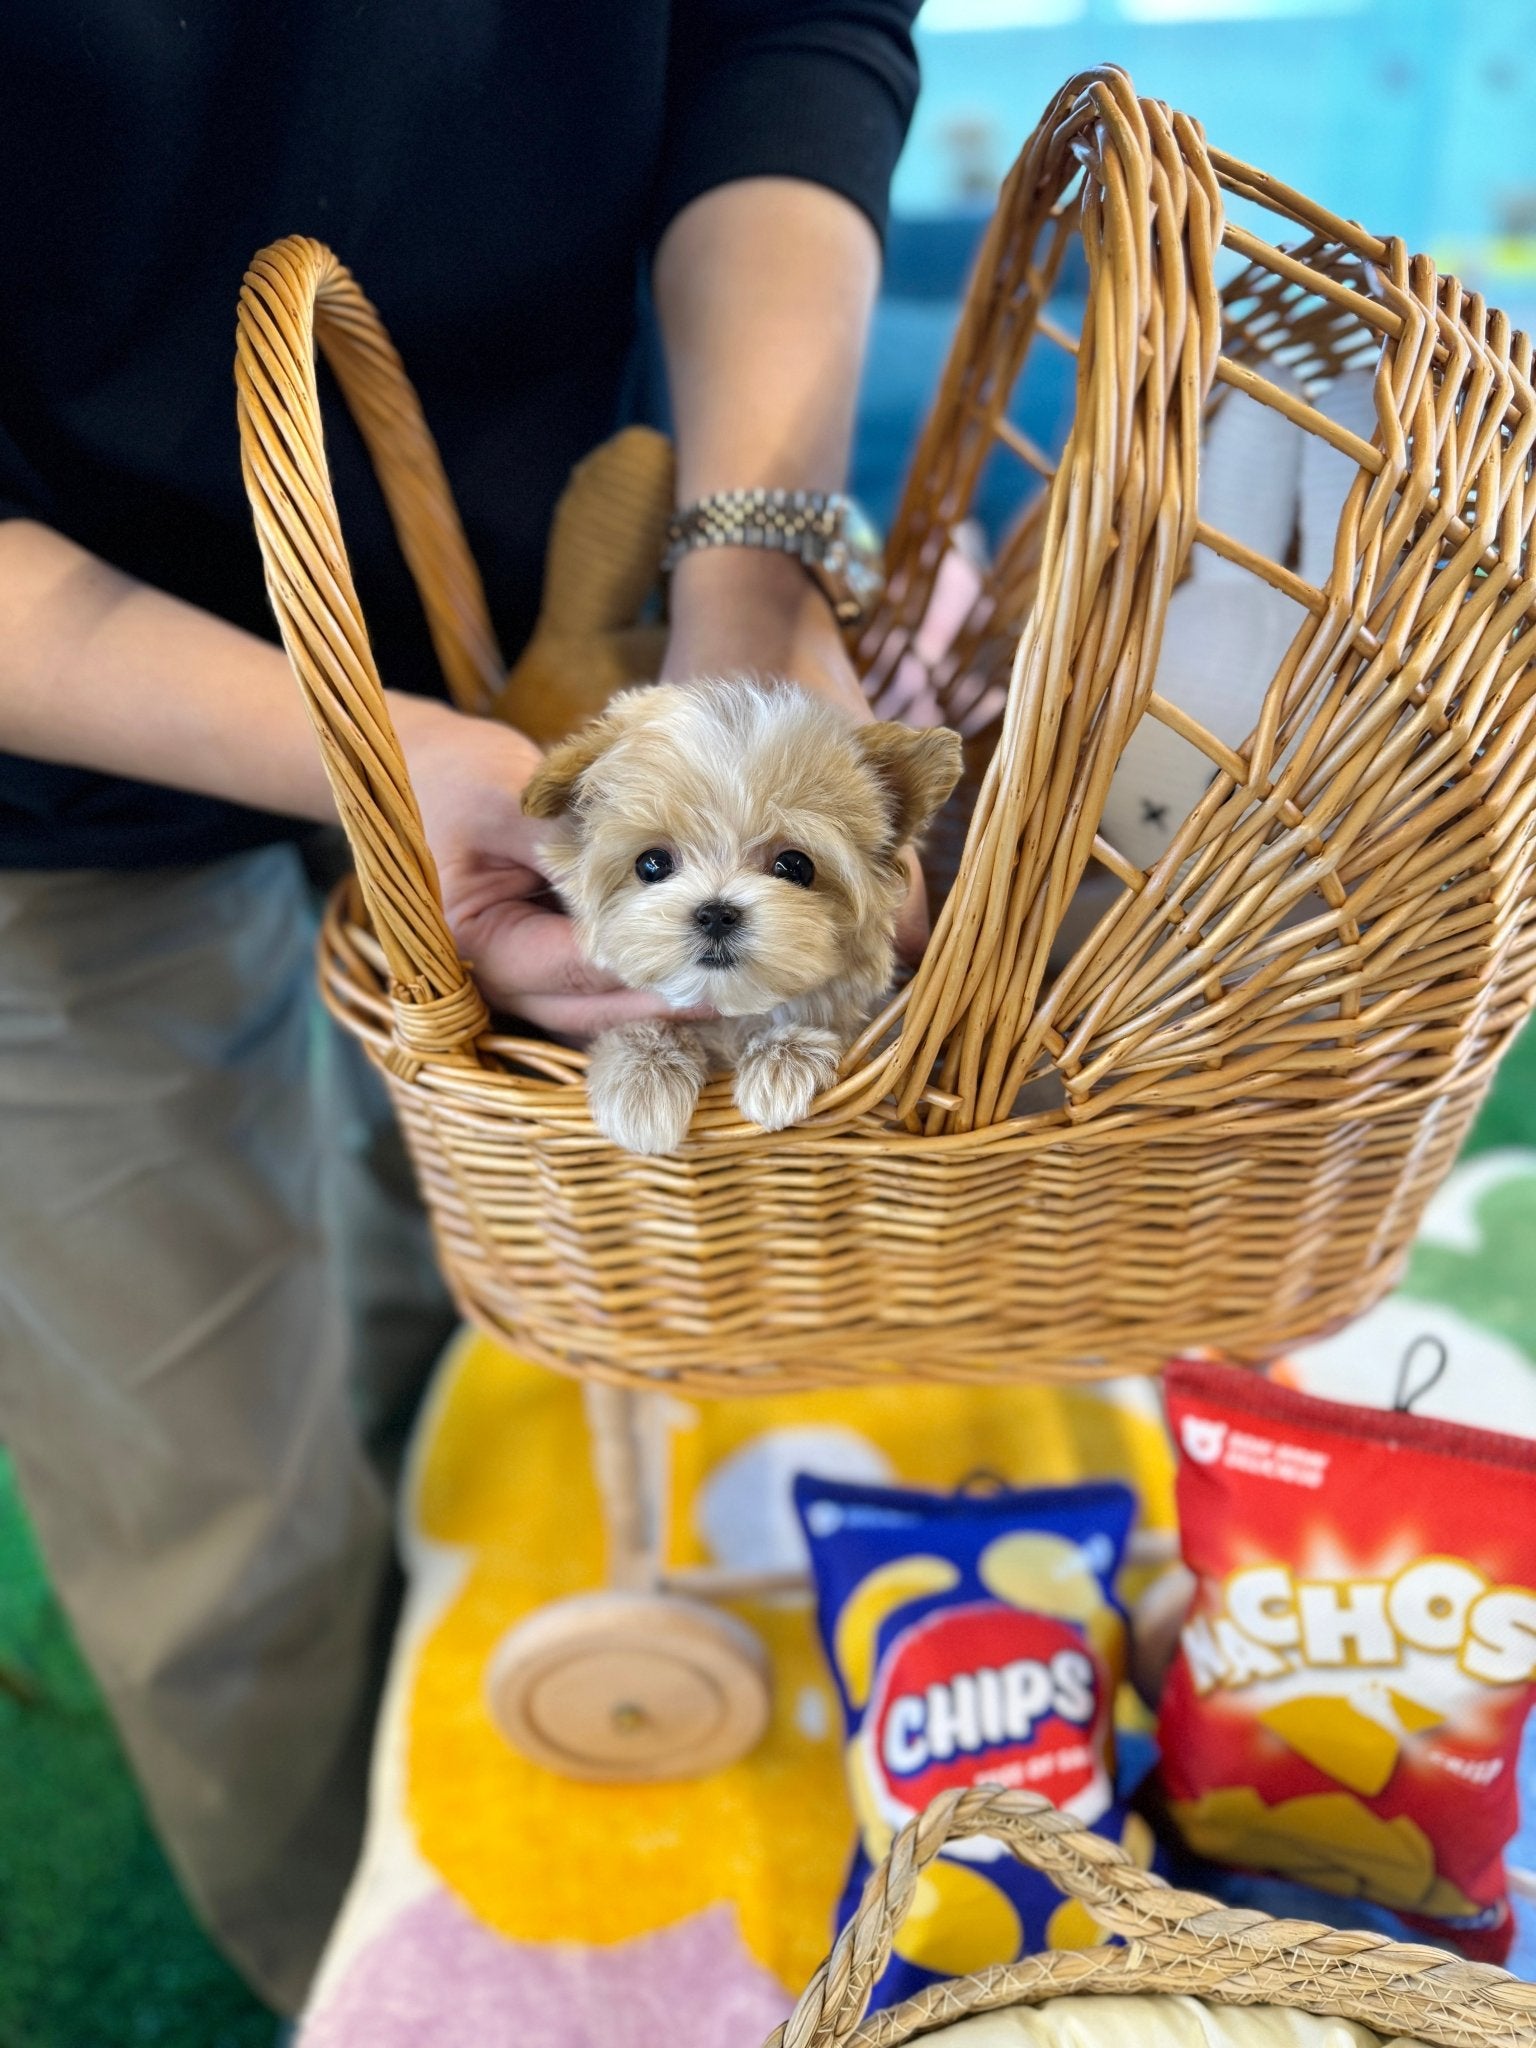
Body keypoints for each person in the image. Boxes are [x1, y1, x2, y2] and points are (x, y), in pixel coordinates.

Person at [0, 0, 922, 2015]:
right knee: (211, 1505)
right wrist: (358, 752)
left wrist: (751, 579)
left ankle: (470, 1645)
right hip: (39, 773)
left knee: (473, 1279)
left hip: (528, 624)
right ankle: (365, 1970)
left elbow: (790, 31)